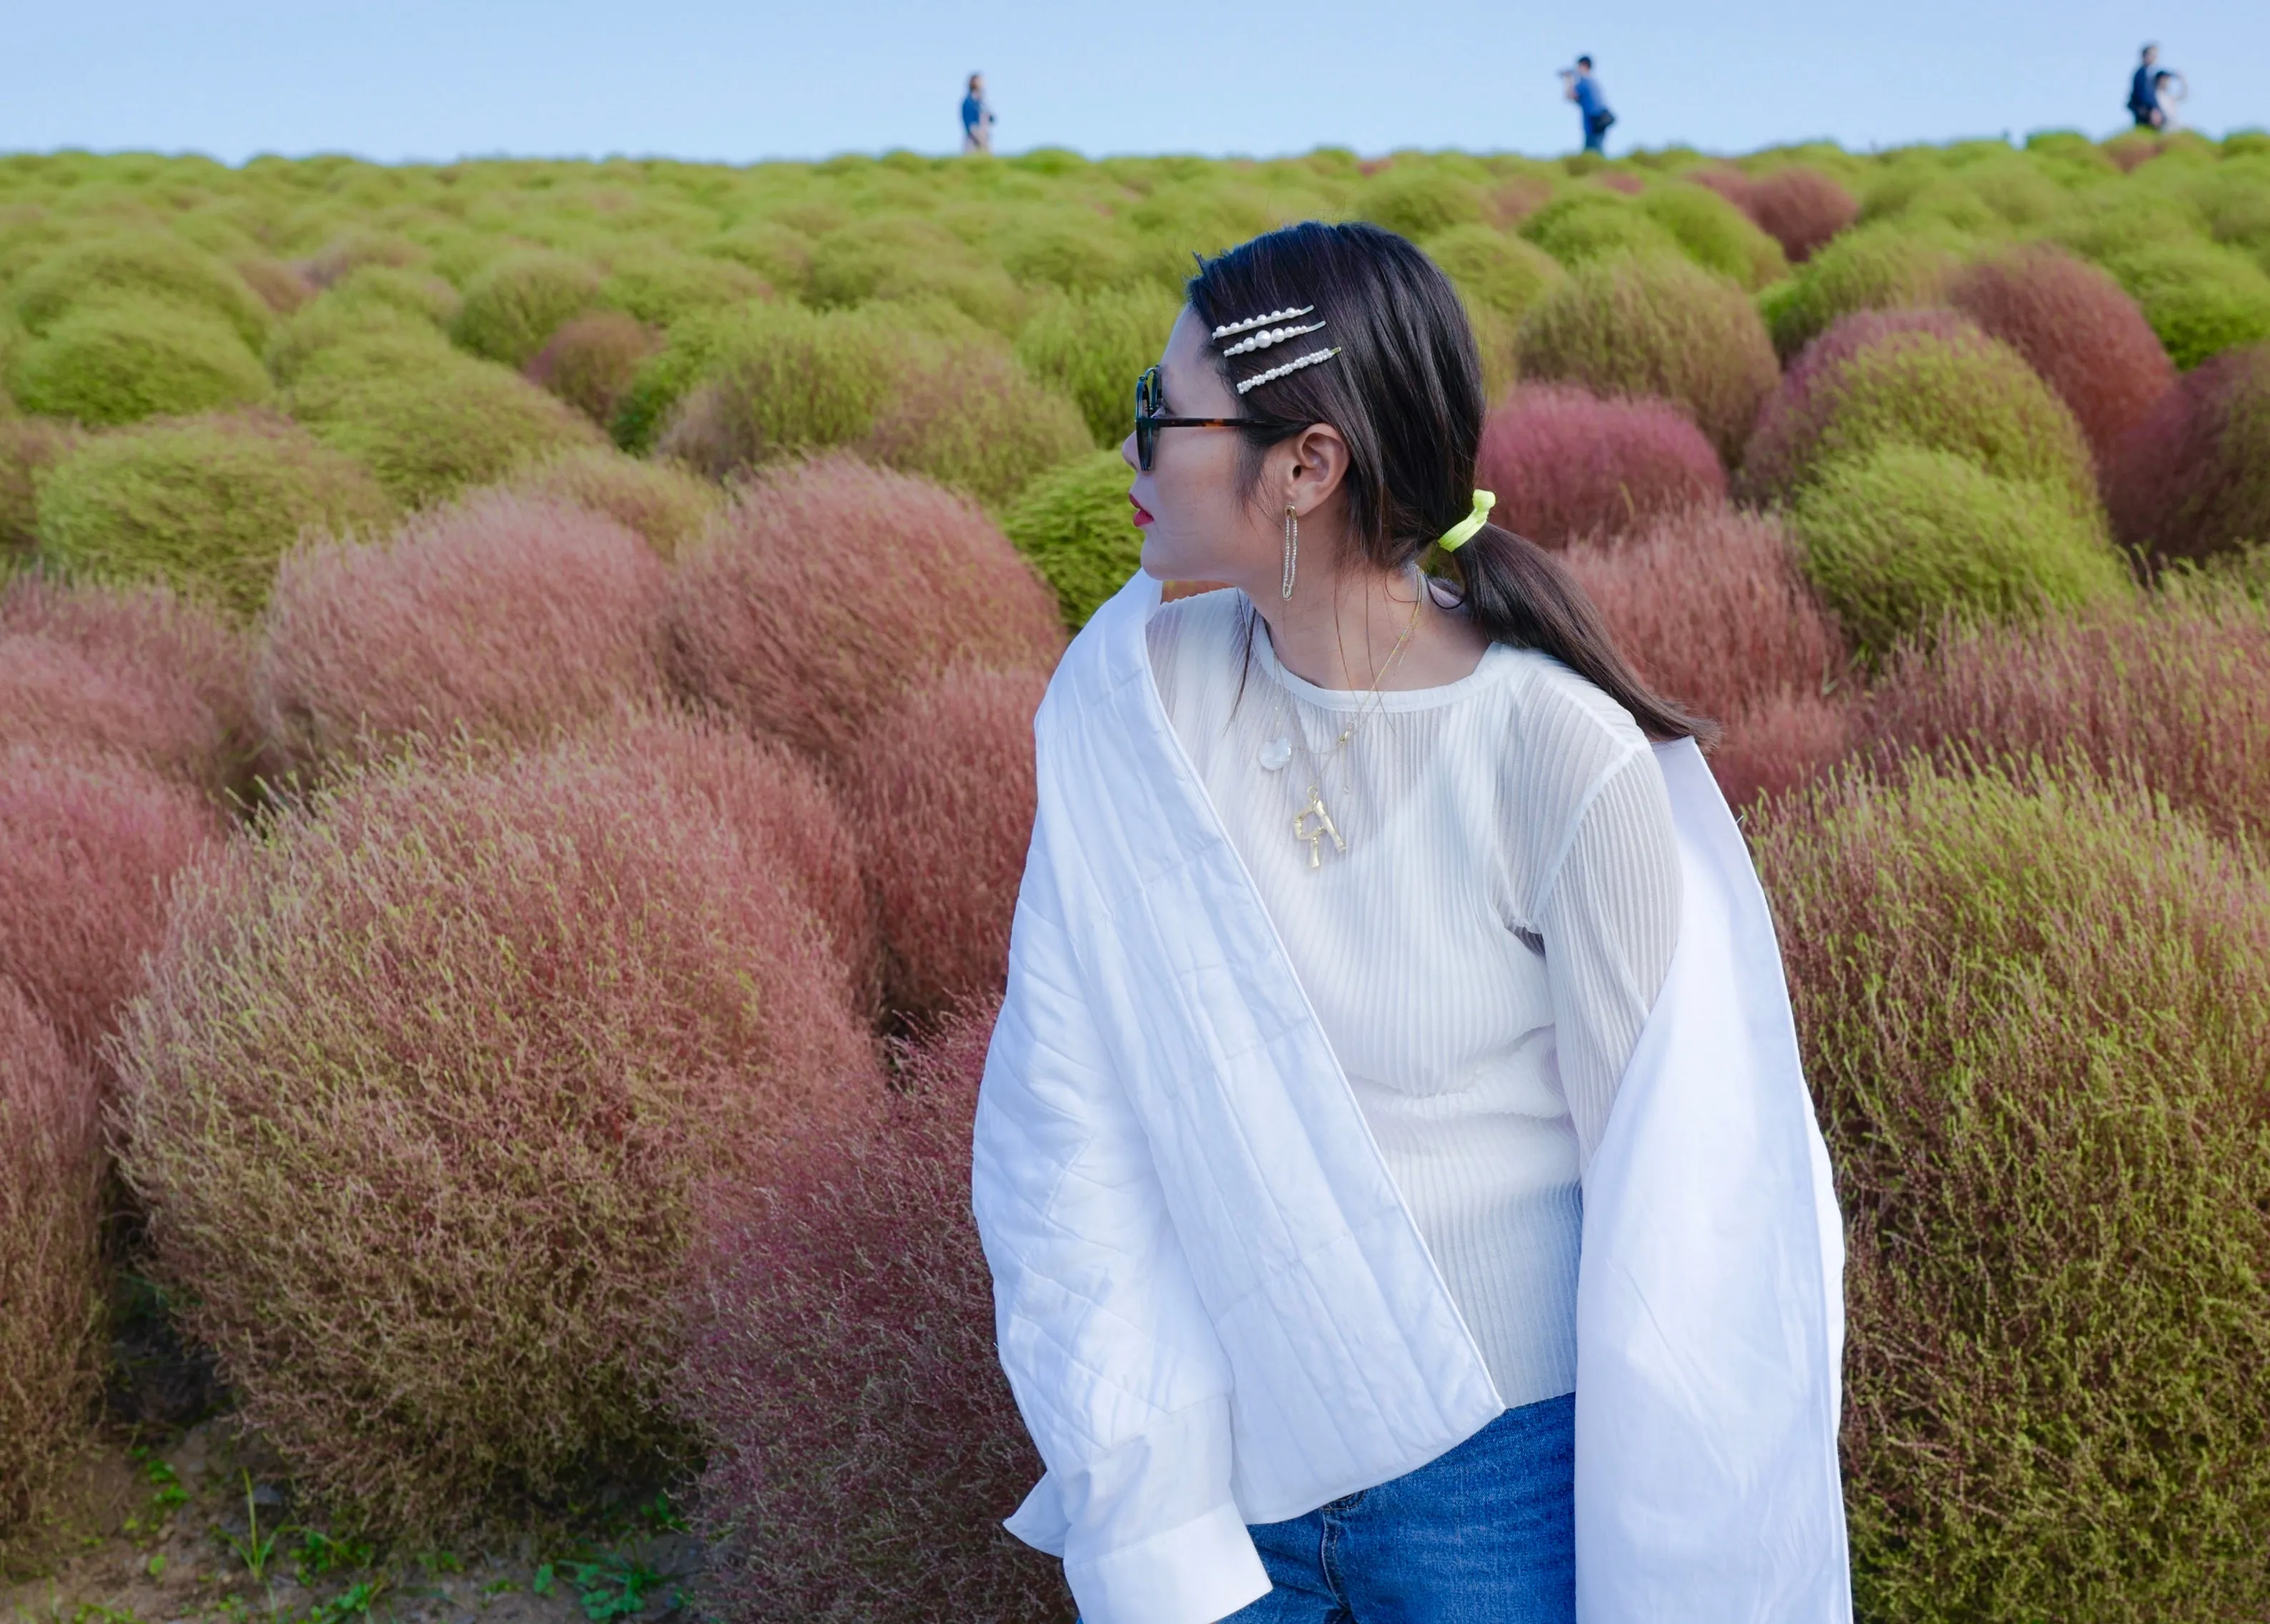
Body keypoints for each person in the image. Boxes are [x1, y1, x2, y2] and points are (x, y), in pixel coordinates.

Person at [972, 219, 1850, 1624]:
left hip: (1502, 1487)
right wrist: (1149, 1497)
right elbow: (1061, 1125)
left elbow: (1694, 1208)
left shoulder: (1557, 753)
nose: (1131, 455)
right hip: (1222, 1463)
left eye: (1161, 413)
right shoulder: (1131, 700)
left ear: (1308, 464)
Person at [1561, 56, 1614, 154]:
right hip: (1599, 122)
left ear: (1583, 66)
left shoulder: (1585, 82)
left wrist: (1569, 80)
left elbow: (1570, 96)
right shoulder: (1593, 82)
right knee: (1596, 149)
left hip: (1593, 123)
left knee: (1592, 151)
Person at [2129, 44, 2163, 129]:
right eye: (2153, 55)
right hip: (2145, 111)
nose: (2155, 58)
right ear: (2145, 56)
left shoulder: (2149, 73)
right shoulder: (2142, 73)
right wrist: (2153, 109)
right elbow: (2144, 95)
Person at [961, 71, 995, 154]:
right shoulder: (968, 101)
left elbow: (991, 117)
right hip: (973, 136)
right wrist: (978, 135)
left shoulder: (982, 101)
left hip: (985, 134)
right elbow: (969, 121)